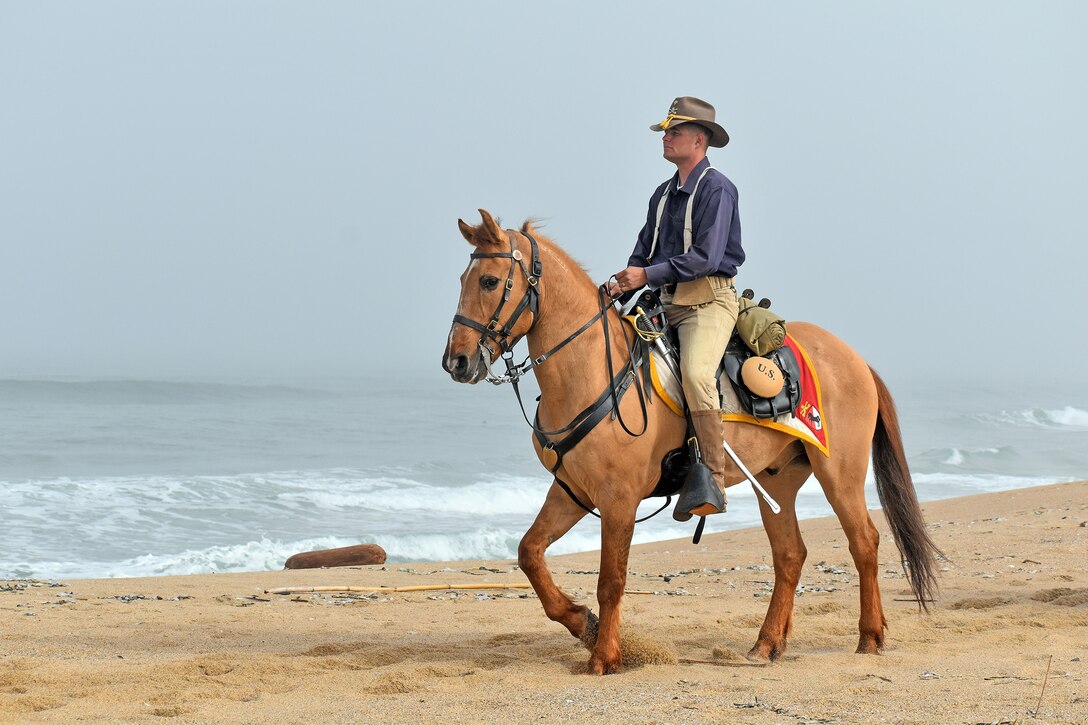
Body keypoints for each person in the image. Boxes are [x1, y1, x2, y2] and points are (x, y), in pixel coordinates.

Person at [610, 96, 744, 520]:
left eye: (675, 132)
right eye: (666, 132)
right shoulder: (662, 194)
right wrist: (620, 282)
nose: (665, 139)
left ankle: (713, 479)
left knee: (696, 374)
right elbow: (644, 249)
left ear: (699, 141)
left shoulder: (718, 188)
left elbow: (705, 258)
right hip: (667, 302)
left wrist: (646, 276)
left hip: (709, 302)